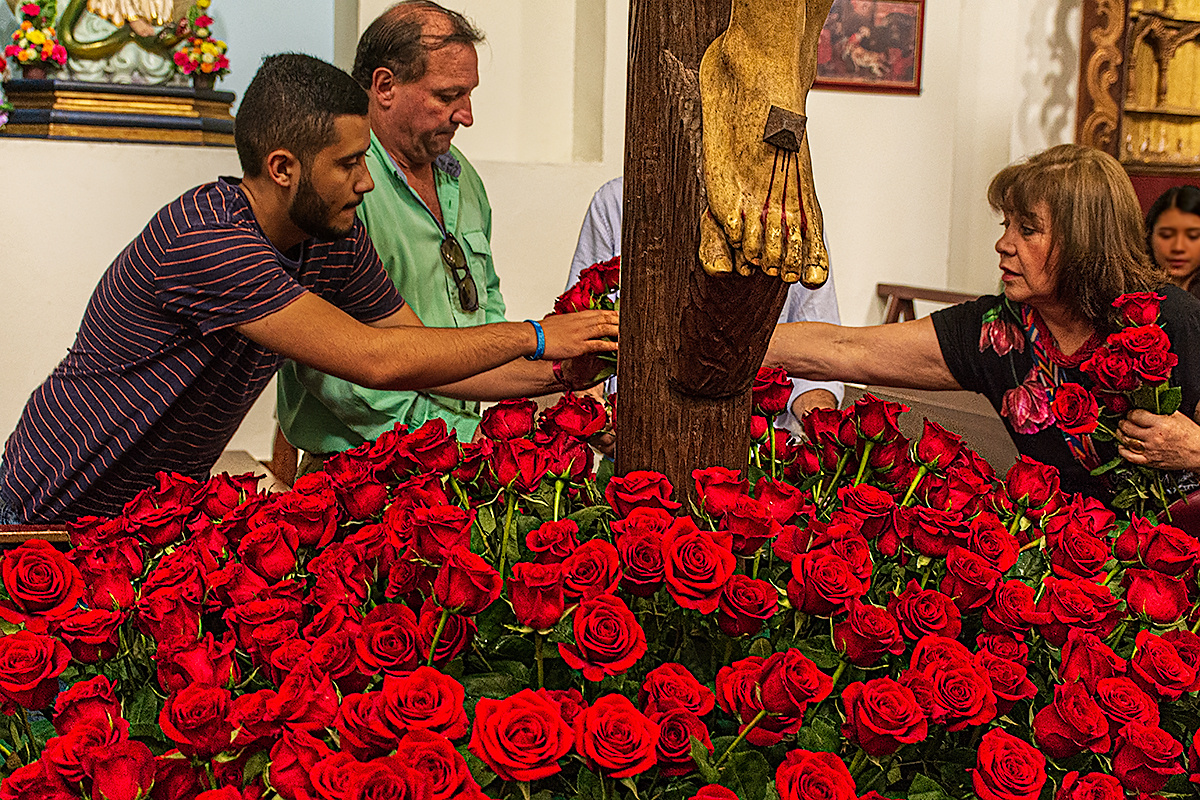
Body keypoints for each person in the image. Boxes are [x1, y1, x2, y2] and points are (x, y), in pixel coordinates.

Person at [0, 53, 617, 525]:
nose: (366, 184)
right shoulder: (209, 237)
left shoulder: (330, 240)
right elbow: (374, 361)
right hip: (52, 502)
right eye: (348, 164)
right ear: (282, 168)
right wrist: (535, 335)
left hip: (150, 516)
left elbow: (422, 355)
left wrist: (562, 372)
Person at [765, 143, 1200, 499]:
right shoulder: (999, 333)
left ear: (1083, 241)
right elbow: (847, 350)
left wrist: (1195, 448)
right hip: (1077, 570)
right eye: (1006, 224)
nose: (1003, 244)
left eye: (1027, 230)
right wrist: (719, 345)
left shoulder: (1172, 321)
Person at [277, 2, 531, 472]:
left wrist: (537, 387)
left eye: (469, 94)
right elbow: (335, 367)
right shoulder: (338, 189)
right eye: (448, 95)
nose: (467, 115)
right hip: (359, 472)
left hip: (457, 458)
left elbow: (484, 306)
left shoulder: (462, 178)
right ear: (385, 86)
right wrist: (454, 438)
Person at [568, 175, 845, 442]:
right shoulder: (618, 201)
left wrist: (819, 427)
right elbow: (583, 323)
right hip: (636, 436)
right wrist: (592, 408)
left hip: (759, 448)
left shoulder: (790, 212)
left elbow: (817, 347)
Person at [1145, 185, 1200, 297]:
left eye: (1192, 236)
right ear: (1149, 235)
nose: (1178, 247)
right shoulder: (1132, 292)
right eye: (1166, 235)